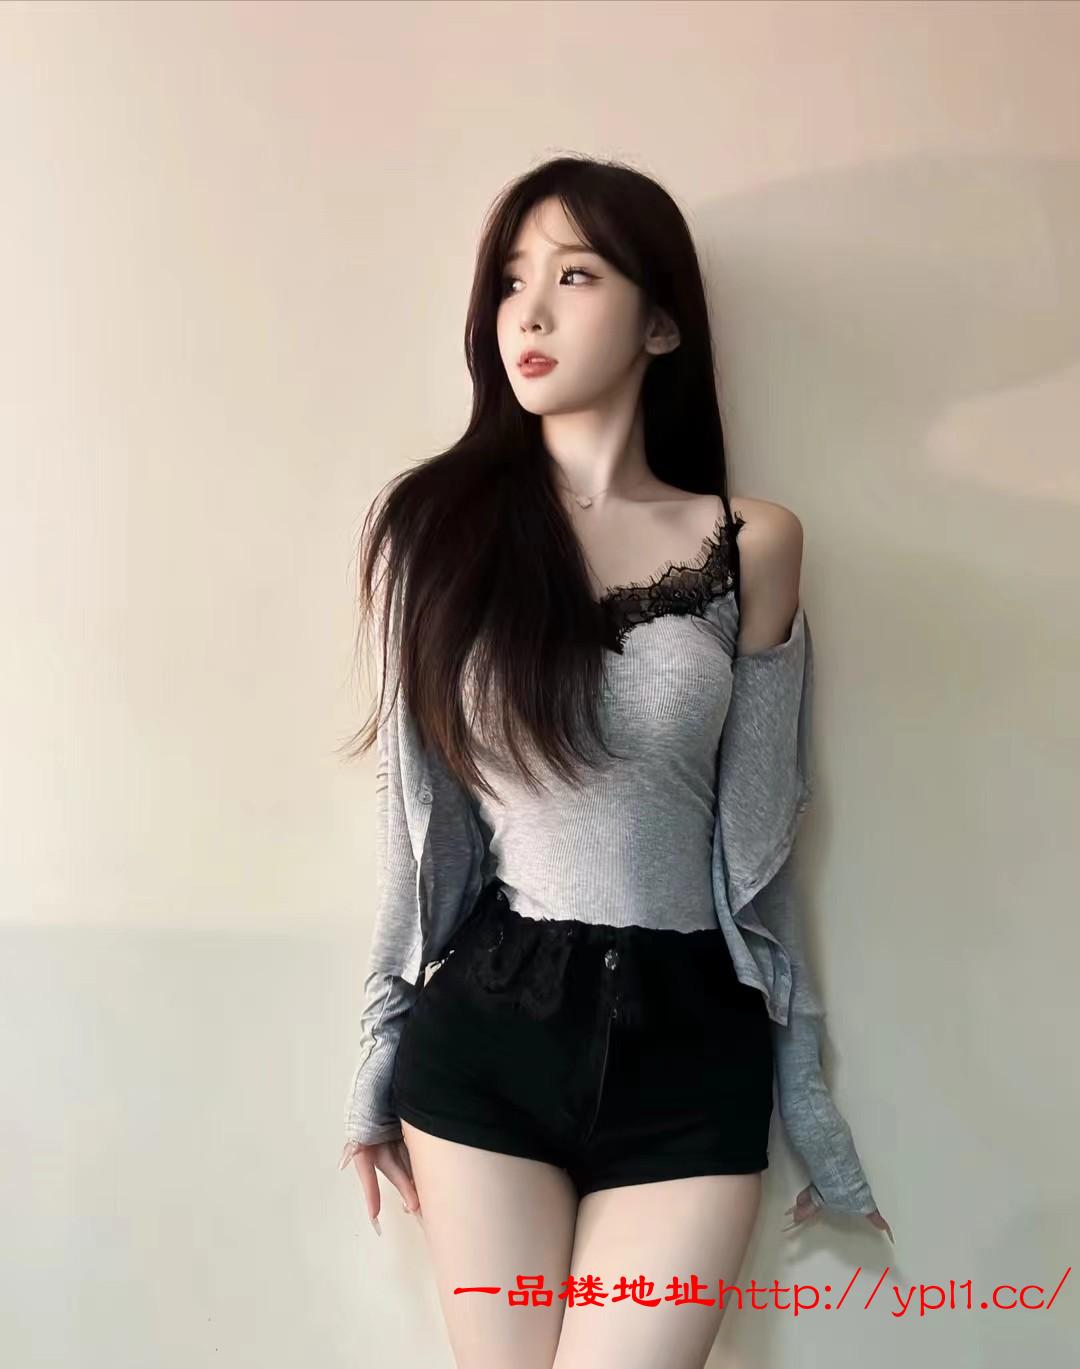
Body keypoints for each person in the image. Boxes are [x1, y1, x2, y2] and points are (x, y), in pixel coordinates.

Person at [337, 155, 892, 1369]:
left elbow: (758, 844)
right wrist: (379, 1046)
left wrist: (803, 1082)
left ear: (660, 323)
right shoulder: (437, 531)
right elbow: (413, 818)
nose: (528, 313)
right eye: (509, 281)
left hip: (690, 1046)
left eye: (575, 275)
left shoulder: (755, 543)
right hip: (491, 1032)